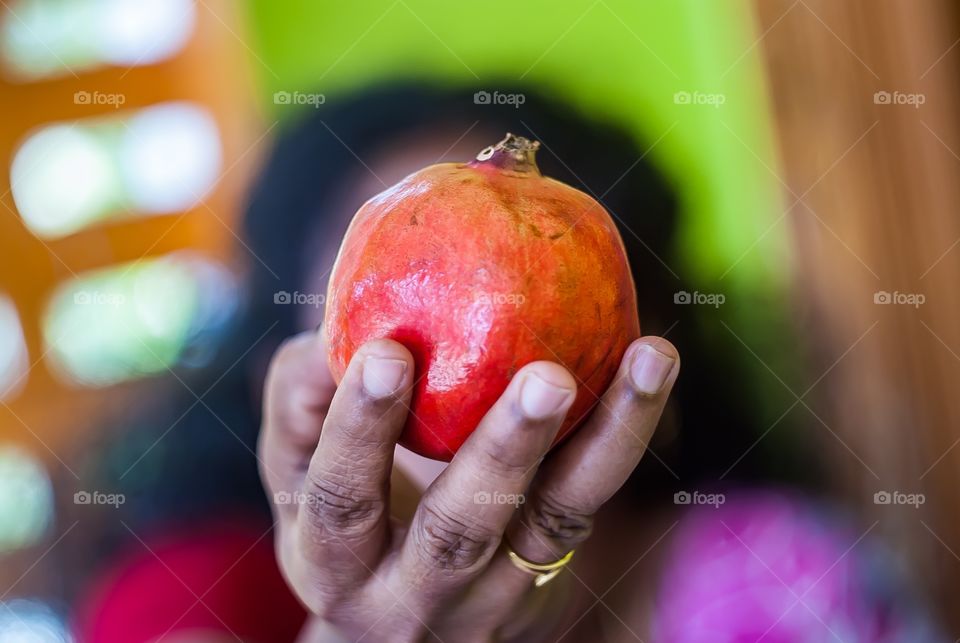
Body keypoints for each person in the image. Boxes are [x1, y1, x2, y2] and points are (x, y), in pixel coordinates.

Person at [75, 83, 939, 641]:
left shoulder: (785, 577)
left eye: (526, 272)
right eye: (407, 270)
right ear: (287, 359)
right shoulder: (193, 599)